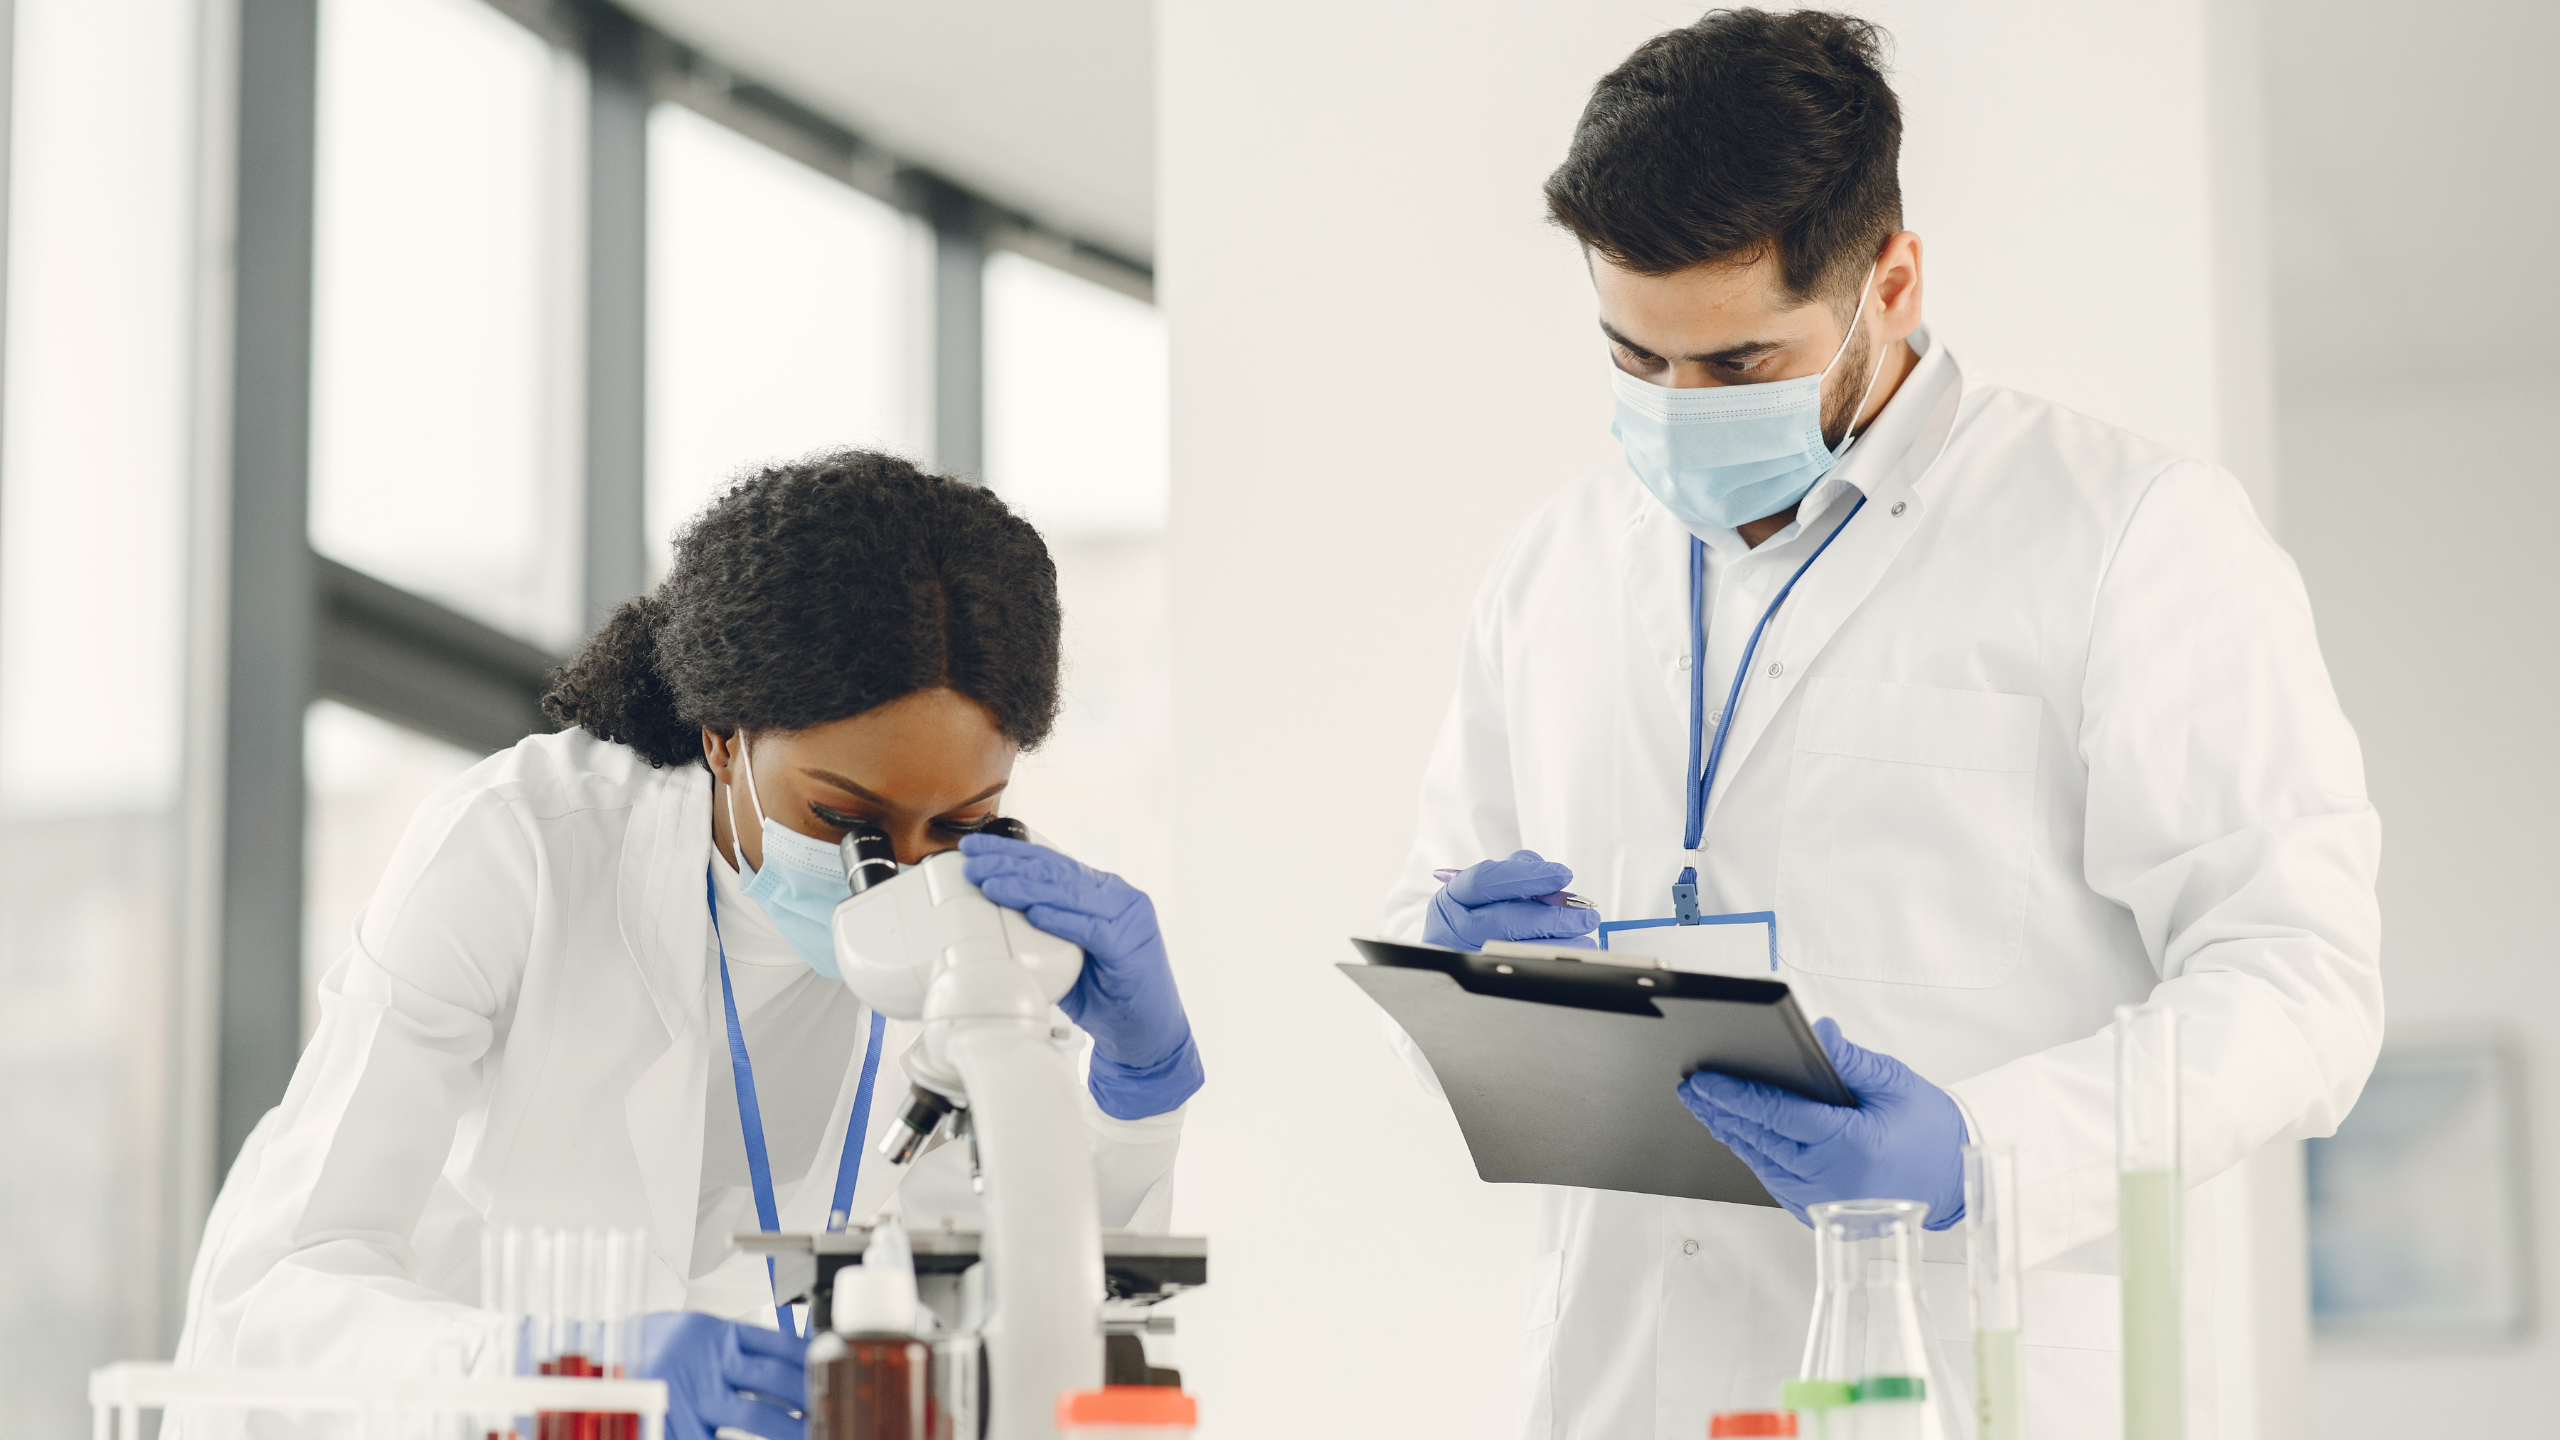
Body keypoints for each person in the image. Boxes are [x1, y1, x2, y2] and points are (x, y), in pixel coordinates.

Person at [1382, 10, 2379, 1437]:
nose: (1678, 409)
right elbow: (1433, 922)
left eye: (1737, 365)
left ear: (1890, 281)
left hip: (1966, 1378)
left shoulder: (2130, 537)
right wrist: (1463, 963)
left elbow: (2302, 982)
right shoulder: (1555, 567)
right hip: (1627, 1388)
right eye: (1634, 359)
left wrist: (1985, 1150)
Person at [174, 452, 1203, 1440]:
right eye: (848, 820)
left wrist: (1138, 1097)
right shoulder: (521, 849)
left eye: (964, 824)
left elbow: (1037, 1289)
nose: (907, 871)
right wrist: (557, 1375)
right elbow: (271, 1299)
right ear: (724, 739)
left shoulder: (980, 935)